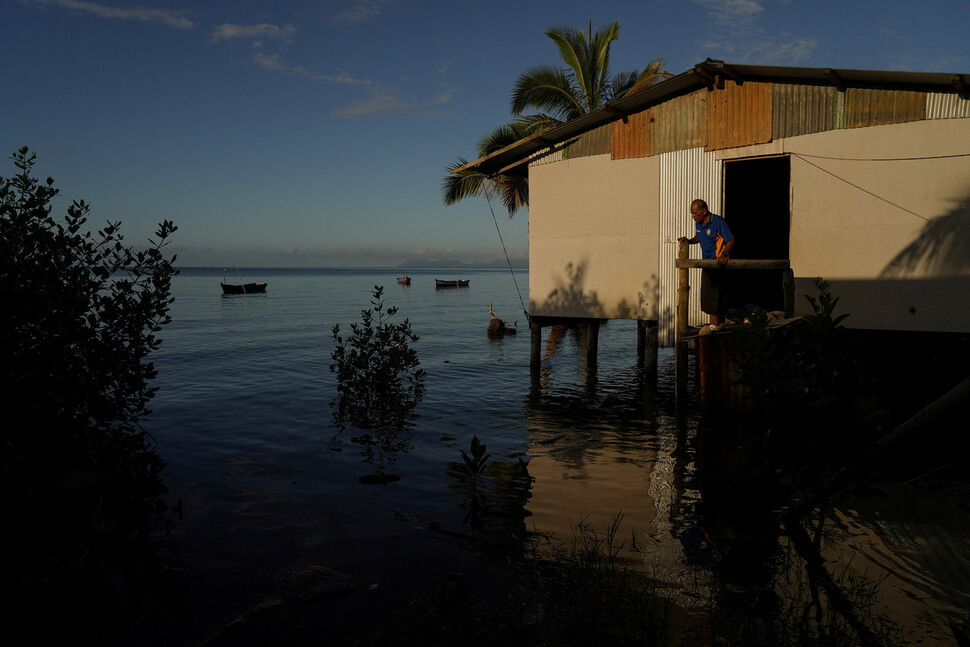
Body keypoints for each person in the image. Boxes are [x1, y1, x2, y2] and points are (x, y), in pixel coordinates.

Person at [678, 199, 735, 325]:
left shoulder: (717, 221)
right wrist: (689, 240)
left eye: (694, 213)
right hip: (707, 265)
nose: (693, 216)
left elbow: (730, 240)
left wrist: (724, 254)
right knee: (709, 301)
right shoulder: (699, 223)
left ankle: (714, 329)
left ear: (703, 211)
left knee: (714, 303)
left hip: (717, 265)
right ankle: (715, 328)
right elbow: (700, 237)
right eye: (691, 213)